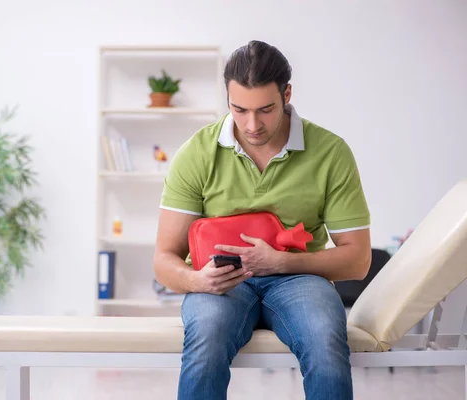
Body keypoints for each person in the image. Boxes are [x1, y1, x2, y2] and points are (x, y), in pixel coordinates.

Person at [153, 40, 372, 400]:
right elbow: (163, 260)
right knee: (206, 335)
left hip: (301, 278)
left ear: (287, 94)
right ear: (227, 97)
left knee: (324, 337)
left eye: (266, 110)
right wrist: (196, 280)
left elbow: (358, 260)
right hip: (220, 283)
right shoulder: (196, 153)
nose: (252, 124)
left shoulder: (331, 153)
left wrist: (281, 261)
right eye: (239, 109)